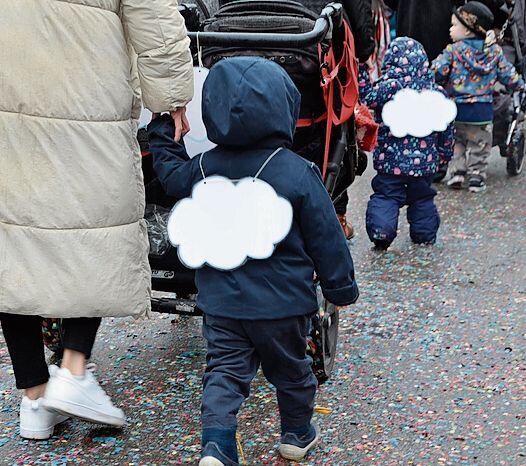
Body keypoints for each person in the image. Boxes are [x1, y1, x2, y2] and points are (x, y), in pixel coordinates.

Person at [148, 57, 359, 466]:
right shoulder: (299, 173)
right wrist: (340, 286)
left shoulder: (205, 167)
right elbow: (326, 237)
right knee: (293, 372)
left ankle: (218, 445)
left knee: (224, 373)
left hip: (222, 305)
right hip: (284, 306)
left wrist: (162, 131)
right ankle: (296, 435)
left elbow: (171, 175)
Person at [0, 0, 193, 440]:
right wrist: (173, 95)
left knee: (11, 235)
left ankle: (34, 398)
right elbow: (154, 14)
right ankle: (73, 368)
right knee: (94, 221)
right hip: (84, 79)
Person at [360, 37, 454, 249]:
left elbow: (365, 98)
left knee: (386, 196)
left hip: (390, 163)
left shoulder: (390, 87)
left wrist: (361, 72)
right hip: (425, 164)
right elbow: (446, 129)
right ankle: (424, 234)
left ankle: (381, 232)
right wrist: (444, 155)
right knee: (422, 198)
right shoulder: (436, 92)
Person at [433, 1, 524, 192]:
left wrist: (434, 81)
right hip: (482, 110)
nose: (450, 29)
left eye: (454, 25)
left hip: (456, 109)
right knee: (479, 144)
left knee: (457, 142)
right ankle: (476, 176)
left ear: (468, 29)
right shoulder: (494, 51)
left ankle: (457, 172)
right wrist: (520, 85)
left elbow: (438, 70)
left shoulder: (453, 51)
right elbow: (508, 75)